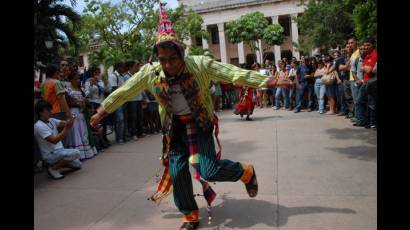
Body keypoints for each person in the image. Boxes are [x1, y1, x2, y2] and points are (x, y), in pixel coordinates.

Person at [90, 4, 274, 229]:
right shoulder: (151, 73)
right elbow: (125, 91)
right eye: (162, 59)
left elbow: (232, 72)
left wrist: (266, 81)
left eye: (172, 59)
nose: (167, 65)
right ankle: (190, 214)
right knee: (177, 172)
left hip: (200, 124)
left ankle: (245, 172)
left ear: (182, 54)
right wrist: (102, 110)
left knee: (209, 170)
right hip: (174, 130)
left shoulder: (199, 65)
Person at [34, 100, 82, 179]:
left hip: (60, 151)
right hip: (50, 155)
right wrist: (66, 129)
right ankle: (53, 169)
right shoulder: (38, 126)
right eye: (48, 110)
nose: (51, 111)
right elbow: (54, 140)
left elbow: (67, 123)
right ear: (40, 112)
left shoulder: (51, 120)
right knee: (76, 153)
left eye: (50, 109)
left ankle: (55, 165)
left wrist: (72, 117)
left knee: (78, 165)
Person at [65, 72, 98, 160]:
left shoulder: (81, 89)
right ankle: (78, 153)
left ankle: (86, 152)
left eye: (79, 78)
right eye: (76, 79)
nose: (78, 80)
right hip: (73, 113)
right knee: (75, 131)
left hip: (82, 113)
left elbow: (86, 100)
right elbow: (67, 103)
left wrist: (86, 102)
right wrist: (77, 103)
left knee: (83, 131)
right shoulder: (68, 90)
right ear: (71, 80)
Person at [84, 65, 111, 148]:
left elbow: (108, 90)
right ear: (92, 73)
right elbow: (87, 94)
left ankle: (105, 138)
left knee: (104, 123)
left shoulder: (101, 81)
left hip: (102, 104)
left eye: (99, 72)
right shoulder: (88, 81)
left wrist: (106, 82)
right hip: (94, 104)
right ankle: (100, 142)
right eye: (96, 73)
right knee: (97, 124)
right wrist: (91, 85)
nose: (97, 74)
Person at [124, 61, 145, 140]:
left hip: (138, 98)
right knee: (133, 117)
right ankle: (133, 133)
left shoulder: (136, 75)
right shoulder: (126, 76)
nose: (137, 67)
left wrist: (143, 97)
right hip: (131, 99)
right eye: (135, 66)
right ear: (130, 67)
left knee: (140, 116)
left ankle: (140, 132)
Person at [107, 62, 127, 144]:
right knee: (120, 119)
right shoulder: (113, 76)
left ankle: (122, 136)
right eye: (123, 67)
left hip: (123, 99)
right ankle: (119, 138)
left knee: (123, 119)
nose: (124, 69)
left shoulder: (121, 76)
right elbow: (114, 89)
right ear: (118, 67)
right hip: (116, 100)